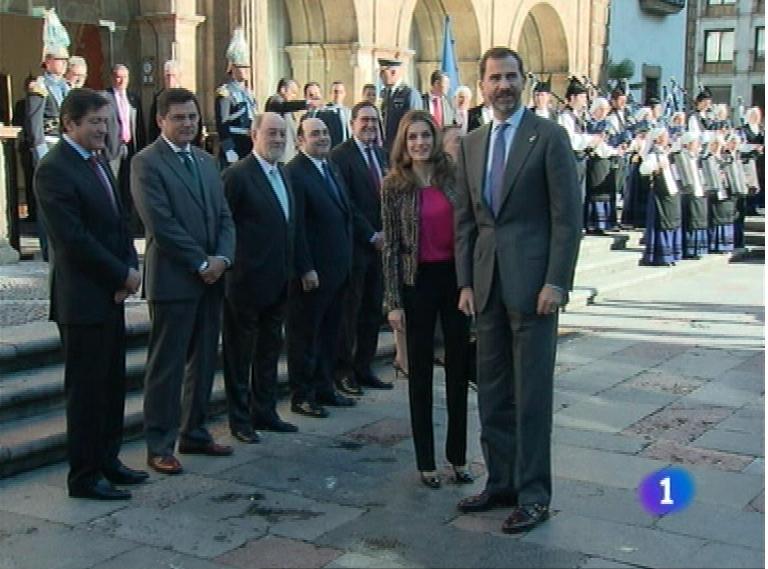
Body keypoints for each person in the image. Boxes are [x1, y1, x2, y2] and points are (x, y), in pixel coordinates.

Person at [454, 47, 581, 533]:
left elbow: (567, 218)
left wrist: (557, 281)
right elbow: (467, 221)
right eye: (494, 78)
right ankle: (501, 482)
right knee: (492, 392)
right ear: (482, 85)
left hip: (534, 291)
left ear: (524, 81)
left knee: (531, 396)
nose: (503, 86)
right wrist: (465, 282)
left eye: (511, 76)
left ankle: (533, 495)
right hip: (486, 286)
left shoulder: (548, 137)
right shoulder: (472, 143)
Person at [35, 88, 146, 500]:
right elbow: (73, 240)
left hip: (111, 296)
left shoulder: (98, 161)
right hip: (82, 301)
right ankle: (84, 475)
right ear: (70, 124)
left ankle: (108, 460)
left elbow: (118, 224)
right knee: (86, 393)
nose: (104, 129)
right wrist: (121, 274)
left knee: (112, 385)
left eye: (107, 121)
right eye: (95, 122)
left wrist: (129, 268)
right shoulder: (54, 169)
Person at [131, 88, 236, 475]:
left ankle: (195, 431)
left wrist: (222, 259)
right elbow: (161, 223)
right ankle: (160, 443)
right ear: (161, 120)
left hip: (212, 279)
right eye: (179, 117)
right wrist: (200, 261)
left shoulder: (207, 161)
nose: (188, 124)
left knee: (204, 361)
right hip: (175, 280)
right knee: (168, 365)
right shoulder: (146, 162)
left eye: (193, 116)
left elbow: (224, 216)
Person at [381, 110, 471, 489]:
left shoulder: (453, 177)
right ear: (404, 143)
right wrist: (393, 302)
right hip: (416, 282)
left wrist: (469, 283)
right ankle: (426, 462)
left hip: (454, 279)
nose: (420, 143)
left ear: (435, 139)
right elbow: (390, 246)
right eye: (412, 137)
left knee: (458, 370)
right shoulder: (393, 185)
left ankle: (458, 457)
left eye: (425, 135)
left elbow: (468, 230)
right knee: (420, 374)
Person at [221, 112, 299, 442]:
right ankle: (240, 420)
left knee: (269, 351)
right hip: (245, 282)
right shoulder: (237, 175)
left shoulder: (284, 173)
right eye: (271, 133)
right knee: (240, 356)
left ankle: (264, 411)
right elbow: (223, 224)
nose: (278, 139)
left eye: (282, 133)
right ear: (254, 135)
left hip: (278, 280)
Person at [285, 117, 356, 418]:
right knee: (305, 336)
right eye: (315, 134)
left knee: (330, 334)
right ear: (301, 140)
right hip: (312, 273)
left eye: (325, 132)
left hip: (337, 269)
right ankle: (302, 395)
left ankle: (325, 387)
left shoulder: (330, 167)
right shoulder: (294, 172)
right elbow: (296, 225)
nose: (323, 138)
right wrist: (305, 267)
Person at [329, 101, 391, 395]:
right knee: (349, 313)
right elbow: (347, 202)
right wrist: (370, 235)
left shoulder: (381, 154)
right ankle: (343, 371)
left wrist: (388, 233)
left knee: (372, 310)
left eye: (374, 120)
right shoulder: (340, 156)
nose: (369, 125)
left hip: (382, 247)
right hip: (355, 245)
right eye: (364, 119)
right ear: (352, 123)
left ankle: (364, 367)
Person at [26, 8, 72, 261]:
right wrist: (41, 156)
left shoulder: (66, 87)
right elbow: (34, 126)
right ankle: (47, 247)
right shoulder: (40, 87)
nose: (63, 64)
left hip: (65, 147)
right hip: (50, 145)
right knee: (47, 200)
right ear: (48, 61)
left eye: (65, 61)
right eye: (59, 60)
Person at [103, 64, 146, 234]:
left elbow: (139, 125)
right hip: (112, 148)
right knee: (112, 186)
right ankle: (113, 223)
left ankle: (129, 224)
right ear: (112, 78)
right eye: (118, 77)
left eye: (124, 77)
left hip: (131, 147)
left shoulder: (133, 98)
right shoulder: (104, 97)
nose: (121, 81)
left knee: (129, 185)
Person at [638, 128, 682, 266]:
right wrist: (657, 166)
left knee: (672, 221)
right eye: (664, 137)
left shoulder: (666, 153)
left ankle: (671, 254)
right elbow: (643, 169)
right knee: (662, 223)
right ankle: (661, 256)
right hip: (661, 193)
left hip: (671, 192)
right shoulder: (653, 155)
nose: (667, 139)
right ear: (657, 139)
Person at [215, 28, 257, 168]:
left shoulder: (249, 93)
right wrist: (228, 148)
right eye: (241, 67)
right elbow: (222, 124)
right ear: (232, 68)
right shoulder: (225, 93)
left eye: (247, 67)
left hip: (250, 144)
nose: (245, 70)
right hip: (234, 143)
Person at [674, 132, 709, 259]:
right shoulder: (681, 157)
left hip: (699, 191)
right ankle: (688, 249)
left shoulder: (697, 158)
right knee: (690, 221)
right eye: (695, 143)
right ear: (687, 144)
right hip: (688, 193)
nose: (697, 145)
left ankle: (697, 249)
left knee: (698, 220)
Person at [379, 57, 423, 151]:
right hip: (388, 148)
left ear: (393, 72)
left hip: (403, 148)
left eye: (383, 72)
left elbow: (414, 123)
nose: (380, 76)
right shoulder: (387, 94)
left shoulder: (409, 93)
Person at [265, 78, 313, 162]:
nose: (294, 96)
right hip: (280, 157)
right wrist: (305, 104)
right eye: (293, 92)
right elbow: (282, 106)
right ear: (283, 90)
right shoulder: (275, 100)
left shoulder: (288, 109)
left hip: (289, 155)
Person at [148, 60, 182, 143]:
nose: (170, 79)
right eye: (168, 76)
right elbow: (152, 126)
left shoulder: (188, 97)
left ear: (179, 76)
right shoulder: (158, 98)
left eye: (173, 75)